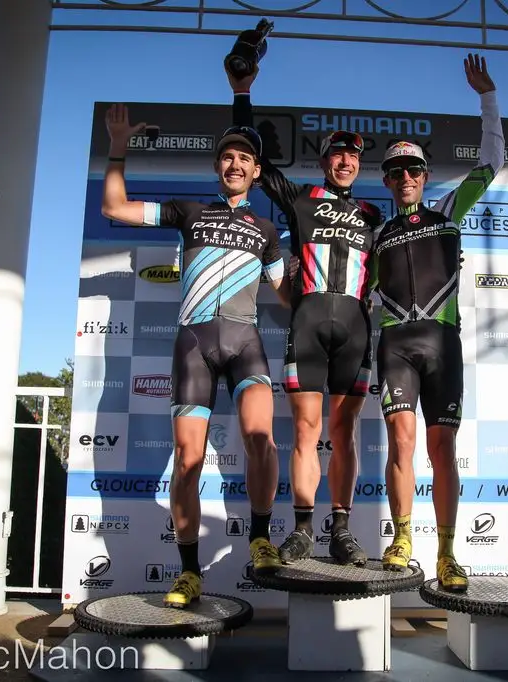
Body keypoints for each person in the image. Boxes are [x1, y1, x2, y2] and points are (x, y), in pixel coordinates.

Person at [100, 103, 292, 607]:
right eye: (227, 156)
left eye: (244, 158)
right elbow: (115, 209)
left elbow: (291, 297)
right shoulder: (189, 210)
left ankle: (260, 537)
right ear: (218, 167)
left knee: (262, 442)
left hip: (247, 343)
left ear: (255, 170)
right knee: (187, 462)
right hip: (194, 345)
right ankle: (188, 572)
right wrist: (117, 150)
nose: (235, 164)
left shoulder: (268, 231)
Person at [225, 61, 382, 567]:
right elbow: (256, 160)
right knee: (307, 431)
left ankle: (341, 530)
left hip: (356, 327)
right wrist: (243, 92)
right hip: (309, 322)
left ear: (359, 167)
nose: (345, 162)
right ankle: (300, 530)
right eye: (337, 154)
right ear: (325, 162)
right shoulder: (301, 199)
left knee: (345, 433)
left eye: (352, 157)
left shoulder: (373, 215)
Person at [371, 54, 505, 592]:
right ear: (386, 180)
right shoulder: (373, 229)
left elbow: (492, 162)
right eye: (396, 171)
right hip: (394, 345)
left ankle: (447, 552)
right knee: (400, 442)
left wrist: (488, 99)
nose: (405, 178)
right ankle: (402, 538)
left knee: (441, 448)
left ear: (425, 177)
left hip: (442, 344)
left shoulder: (448, 209)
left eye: (414, 170)